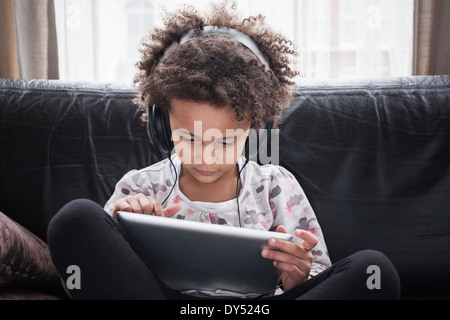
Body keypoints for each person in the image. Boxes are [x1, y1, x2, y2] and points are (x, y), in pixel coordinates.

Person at [47, 1, 400, 300]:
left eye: (226, 141)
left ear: (254, 129)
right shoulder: (140, 188)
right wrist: (122, 229)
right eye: (189, 137)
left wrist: (297, 277)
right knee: (75, 219)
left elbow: (318, 275)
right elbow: (90, 277)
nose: (206, 158)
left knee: (375, 271)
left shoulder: (277, 186)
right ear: (162, 122)